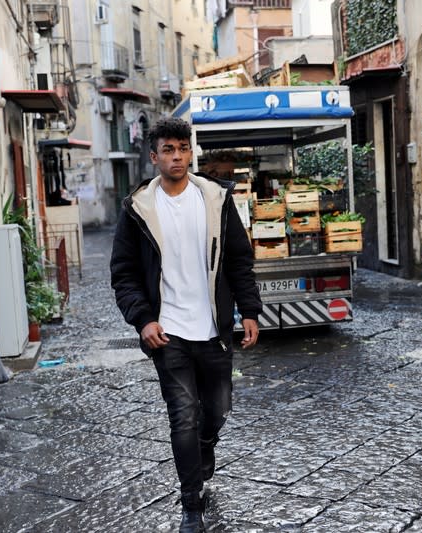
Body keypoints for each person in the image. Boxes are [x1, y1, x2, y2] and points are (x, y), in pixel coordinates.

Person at [110, 116, 262, 532]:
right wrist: (143, 319)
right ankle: (191, 504)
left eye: (183, 149)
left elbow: (238, 260)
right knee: (183, 416)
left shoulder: (215, 199)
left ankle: (206, 448)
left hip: (214, 329)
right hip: (168, 331)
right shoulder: (137, 208)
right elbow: (123, 273)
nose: (176, 157)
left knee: (218, 410)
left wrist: (249, 311)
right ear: (154, 156)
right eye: (168, 150)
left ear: (189, 153)